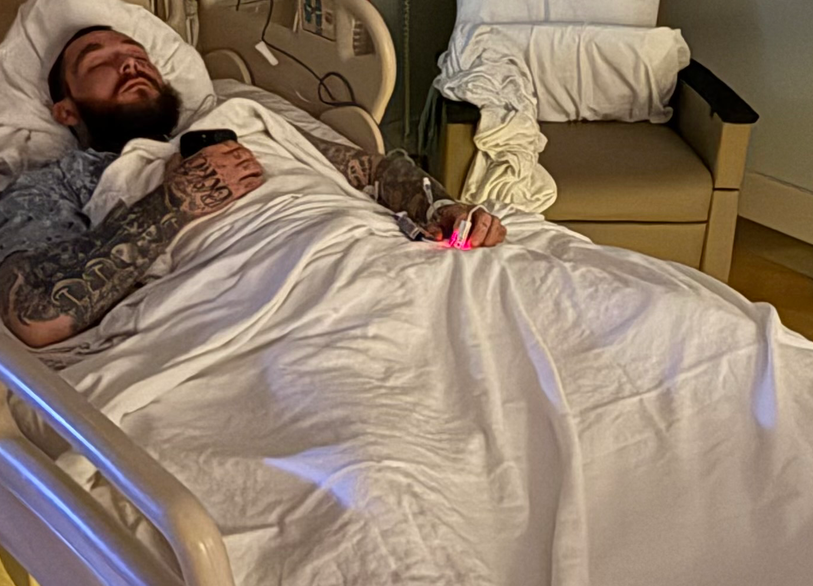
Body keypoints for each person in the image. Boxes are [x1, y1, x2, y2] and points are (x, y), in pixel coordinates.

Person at [0, 26, 505, 349]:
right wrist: (173, 203)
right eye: (98, 62)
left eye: (138, 55)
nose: (129, 64)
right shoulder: (57, 182)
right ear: (65, 111)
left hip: (389, 257)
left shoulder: (242, 118)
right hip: (279, 315)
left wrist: (440, 206)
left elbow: (373, 172)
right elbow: (34, 315)